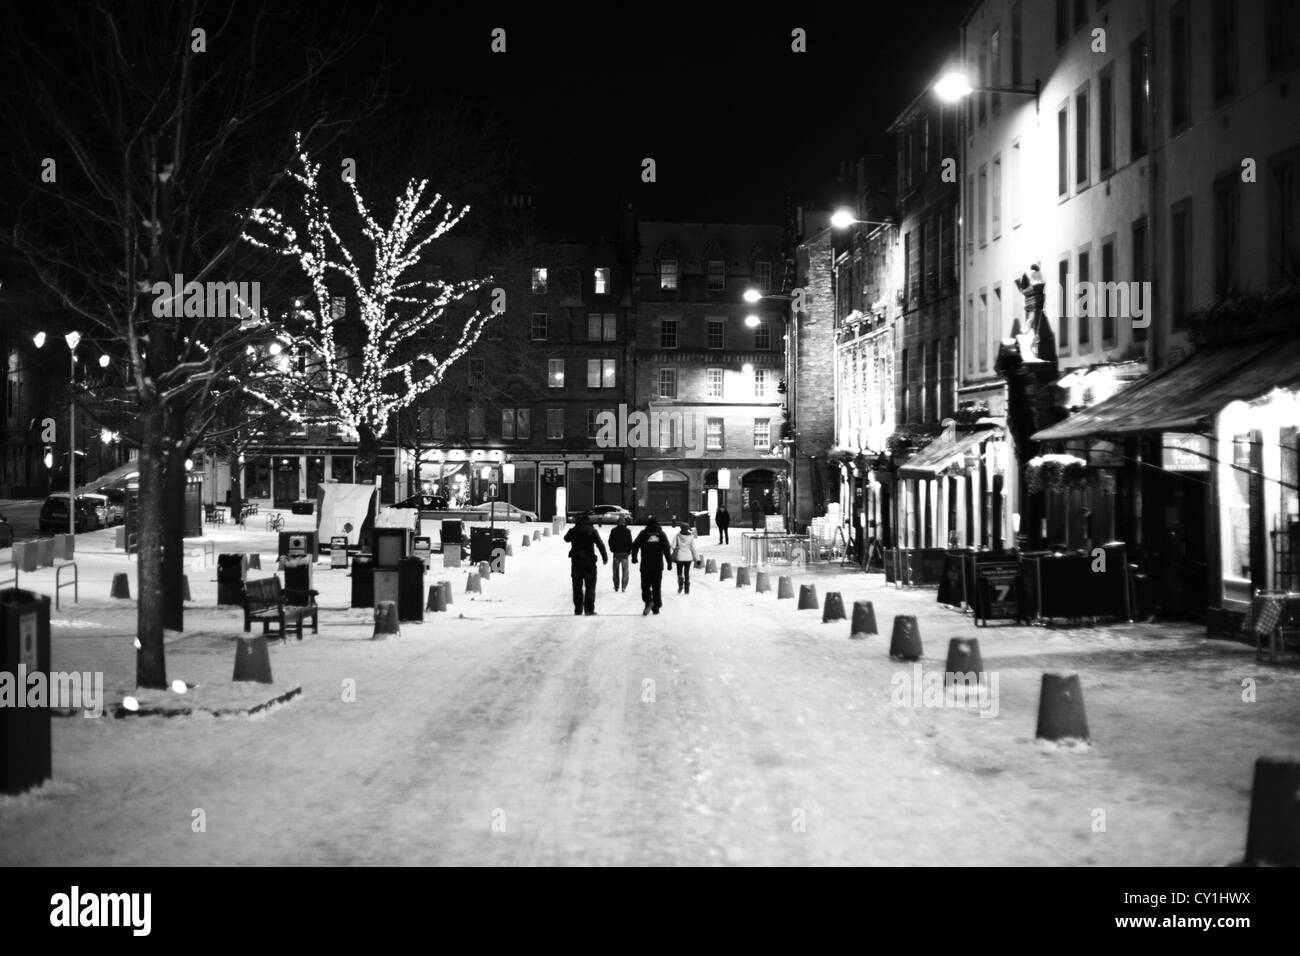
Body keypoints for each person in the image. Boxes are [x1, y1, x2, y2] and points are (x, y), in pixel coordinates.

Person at [563, 514, 608, 615]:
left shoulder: (574, 530)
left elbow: (566, 539)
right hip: (589, 561)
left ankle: (578, 609)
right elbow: (600, 544)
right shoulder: (592, 531)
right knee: (590, 586)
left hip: (576, 561)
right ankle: (589, 609)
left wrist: (574, 531)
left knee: (577, 587)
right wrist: (604, 557)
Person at [630, 516, 673, 615]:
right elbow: (666, 549)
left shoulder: (644, 534)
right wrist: (669, 562)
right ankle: (656, 606)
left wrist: (634, 557)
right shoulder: (661, 534)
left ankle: (649, 601)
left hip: (645, 565)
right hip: (658, 566)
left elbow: (635, 545)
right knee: (656, 586)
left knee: (645, 586)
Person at [607, 515, 633, 592]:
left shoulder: (613, 530)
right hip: (625, 554)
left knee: (615, 571)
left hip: (616, 554)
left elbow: (610, 541)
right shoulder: (627, 531)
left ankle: (616, 586)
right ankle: (624, 587)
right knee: (625, 571)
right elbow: (630, 542)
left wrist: (612, 549)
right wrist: (629, 551)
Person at [672, 523, 698, 594]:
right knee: (687, 573)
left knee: (679, 572)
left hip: (679, 557)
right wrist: (697, 558)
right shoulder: (691, 537)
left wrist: (678, 546)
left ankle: (680, 585)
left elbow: (673, 546)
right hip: (688, 558)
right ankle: (687, 590)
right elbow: (694, 548)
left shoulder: (677, 536)